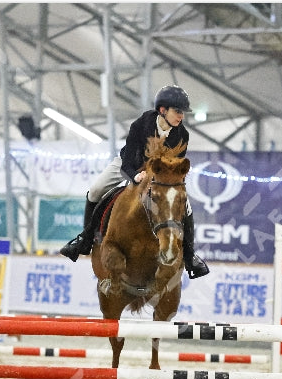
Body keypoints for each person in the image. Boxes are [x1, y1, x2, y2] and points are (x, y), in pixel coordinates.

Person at [59, 85, 210, 279]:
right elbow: (128, 160)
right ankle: (85, 239)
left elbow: (174, 168)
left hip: (158, 175)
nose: (181, 116)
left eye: (183, 113)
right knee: (95, 191)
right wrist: (135, 176)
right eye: (178, 111)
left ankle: (190, 256)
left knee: (186, 206)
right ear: (163, 110)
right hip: (128, 166)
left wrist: (162, 179)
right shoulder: (141, 124)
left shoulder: (182, 135)